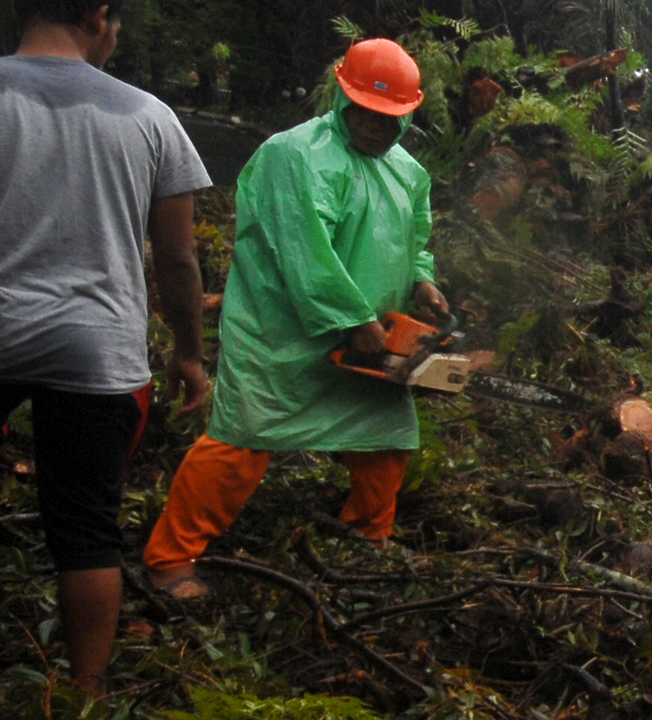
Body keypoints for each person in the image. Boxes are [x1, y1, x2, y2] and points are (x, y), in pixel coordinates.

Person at [0, 0, 214, 699]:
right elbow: (177, 260)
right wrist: (189, 352)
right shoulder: (151, 117)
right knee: (86, 526)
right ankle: (84, 698)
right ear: (101, 17)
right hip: (98, 352)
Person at [141, 38, 445, 604]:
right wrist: (351, 318)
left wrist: (423, 280)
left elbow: (415, 239)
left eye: (390, 118)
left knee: (386, 438)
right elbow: (304, 252)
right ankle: (169, 558)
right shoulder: (295, 155)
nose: (377, 127)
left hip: (370, 335)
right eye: (366, 112)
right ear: (340, 94)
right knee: (242, 439)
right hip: (281, 332)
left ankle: (364, 542)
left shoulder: (408, 172)